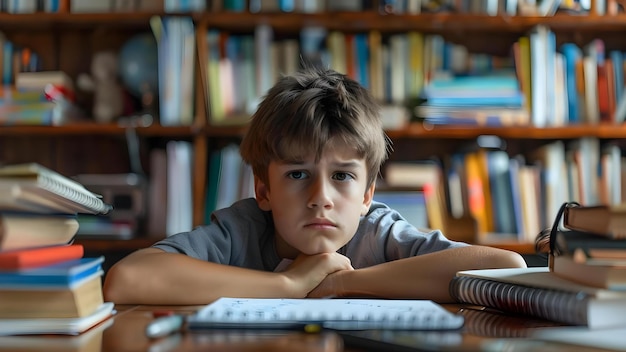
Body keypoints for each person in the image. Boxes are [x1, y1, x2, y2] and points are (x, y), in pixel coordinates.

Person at [103, 66, 526, 305]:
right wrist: (287, 285)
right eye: (297, 174)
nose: (321, 197)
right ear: (264, 190)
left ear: (366, 195)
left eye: (342, 176)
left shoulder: (377, 232)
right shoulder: (241, 230)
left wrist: (342, 281)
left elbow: (507, 268)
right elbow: (127, 279)